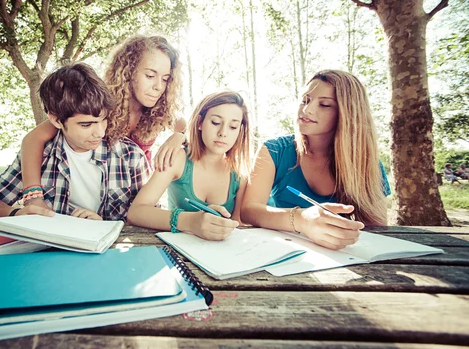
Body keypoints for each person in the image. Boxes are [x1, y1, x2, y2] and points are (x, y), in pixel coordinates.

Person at [19, 36, 187, 210]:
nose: (159, 86)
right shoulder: (99, 103)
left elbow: (183, 124)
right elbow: (33, 139)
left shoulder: (157, 110)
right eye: (150, 75)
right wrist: (33, 195)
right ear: (128, 72)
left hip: (137, 185)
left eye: (165, 79)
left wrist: (178, 137)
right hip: (103, 188)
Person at [0, 63, 148, 224]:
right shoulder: (41, 155)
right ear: (56, 120)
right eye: (86, 124)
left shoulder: (130, 157)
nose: (100, 132)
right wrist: (16, 213)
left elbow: (149, 218)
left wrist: (106, 227)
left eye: (103, 120)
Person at [241, 70, 390, 250]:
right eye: (305, 100)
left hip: (342, 256)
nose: (307, 109)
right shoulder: (275, 150)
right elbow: (248, 211)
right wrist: (302, 220)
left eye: (324, 104)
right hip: (282, 252)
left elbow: (379, 229)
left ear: (348, 114)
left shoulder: (365, 162)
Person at [127, 91, 250, 241]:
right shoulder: (178, 159)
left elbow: (237, 227)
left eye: (233, 126)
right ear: (200, 123)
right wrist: (190, 222)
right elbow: (136, 212)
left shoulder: (240, 173)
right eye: (216, 123)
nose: (223, 133)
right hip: (177, 252)